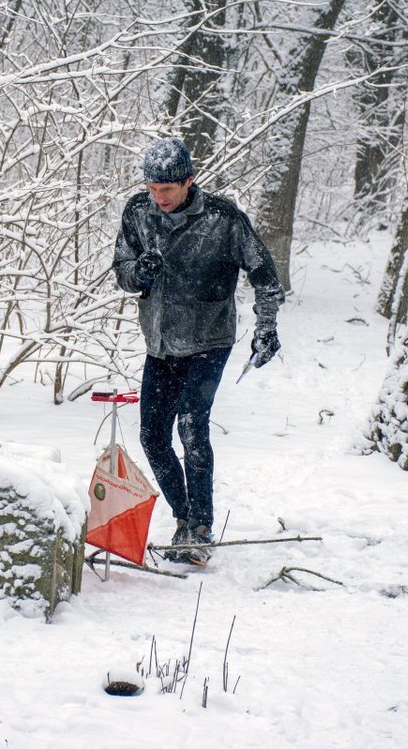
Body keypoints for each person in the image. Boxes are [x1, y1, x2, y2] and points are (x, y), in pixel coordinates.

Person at [112, 137, 284, 565]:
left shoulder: (223, 218)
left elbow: (264, 274)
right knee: (152, 436)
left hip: (209, 340)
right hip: (161, 342)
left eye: (167, 189)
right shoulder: (137, 212)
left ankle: (201, 528)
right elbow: (122, 271)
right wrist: (139, 272)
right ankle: (185, 518)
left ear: (189, 181)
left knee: (191, 427)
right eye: (152, 188)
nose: (159, 198)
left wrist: (266, 328)